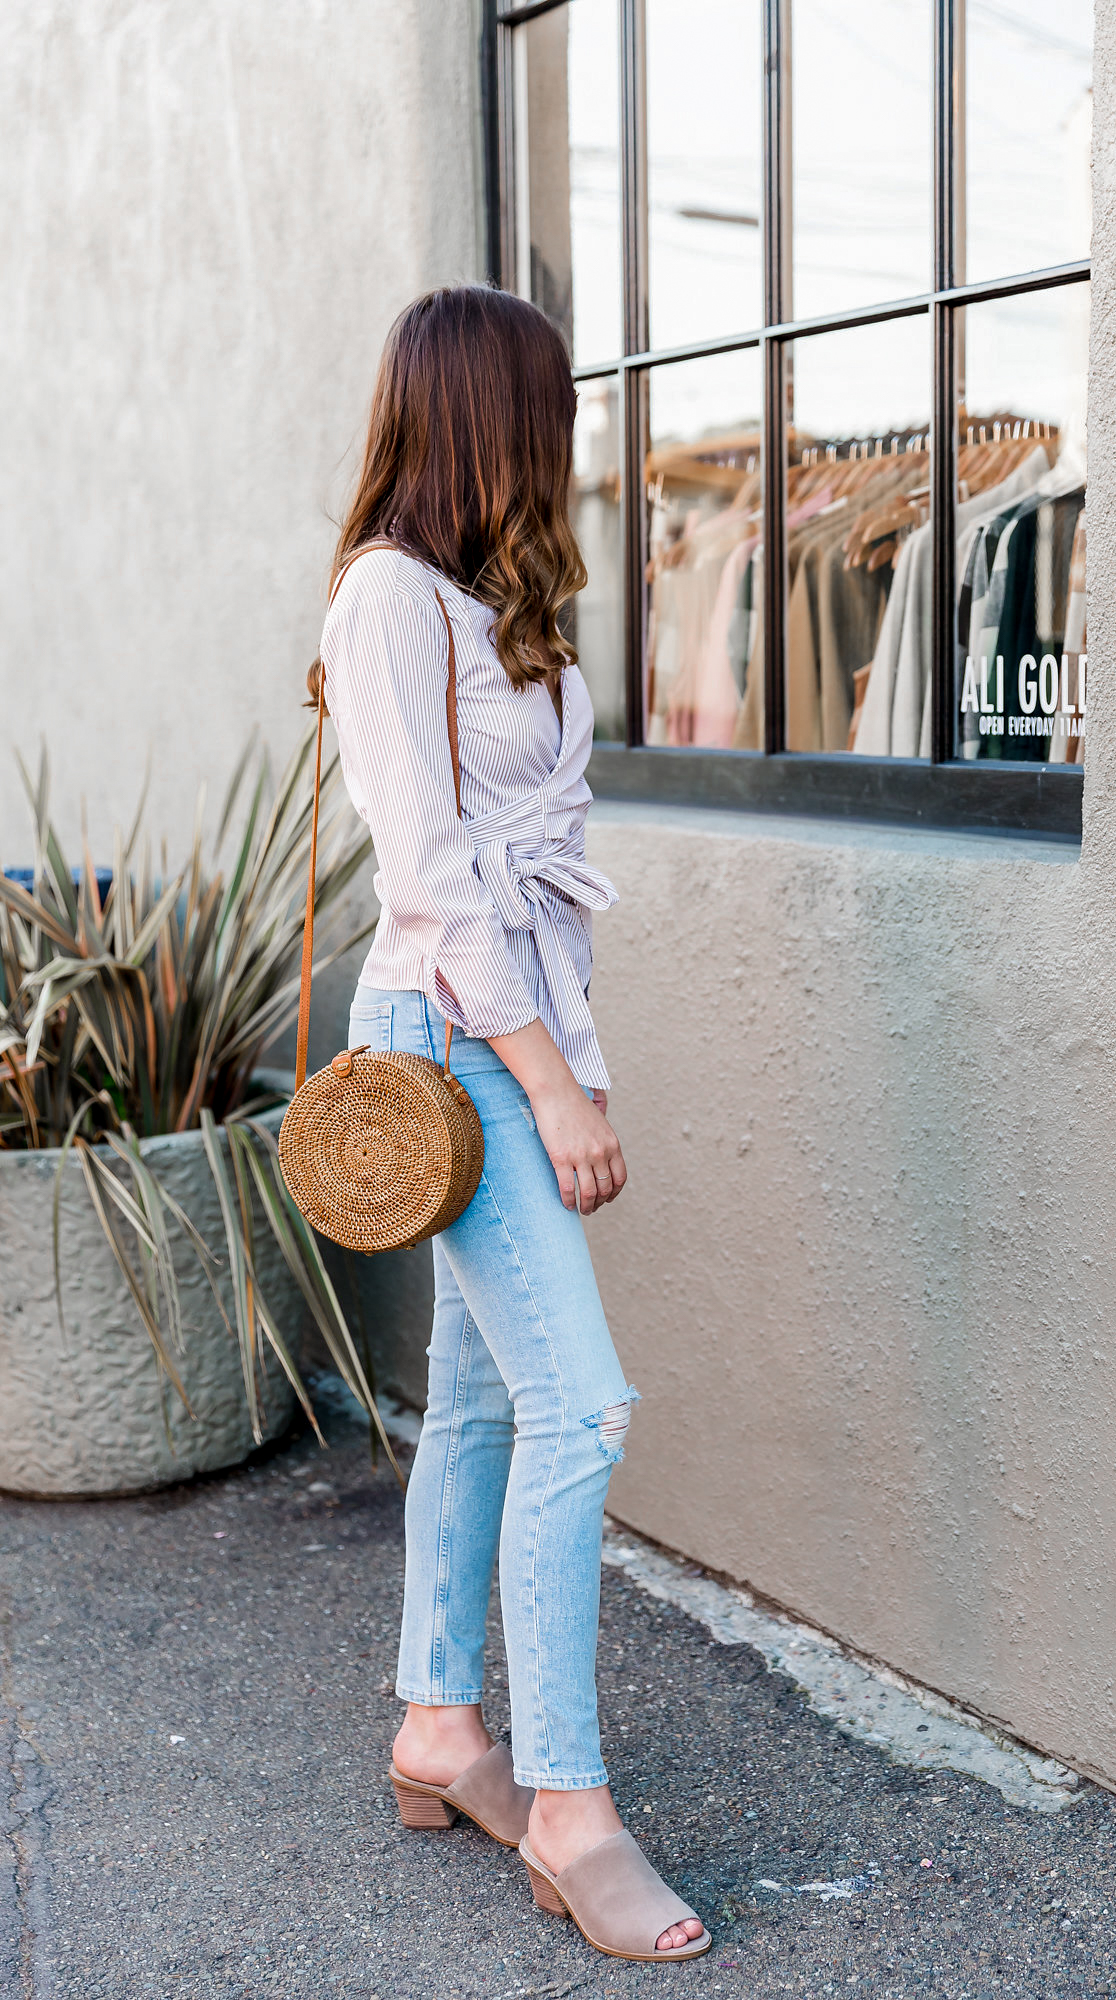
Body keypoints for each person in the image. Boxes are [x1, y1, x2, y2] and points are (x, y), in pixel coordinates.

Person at [312, 286, 709, 1963]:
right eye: (552, 410)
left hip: (523, 1029)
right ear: (485, 414)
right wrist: (548, 1085)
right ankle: (565, 1804)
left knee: (478, 1404)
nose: (571, 442)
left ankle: (433, 1728)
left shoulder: (500, 603)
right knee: (585, 1408)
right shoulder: (388, 601)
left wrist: (586, 1065)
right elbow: (437, 885)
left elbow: (548, 883)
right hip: (448, 1037)